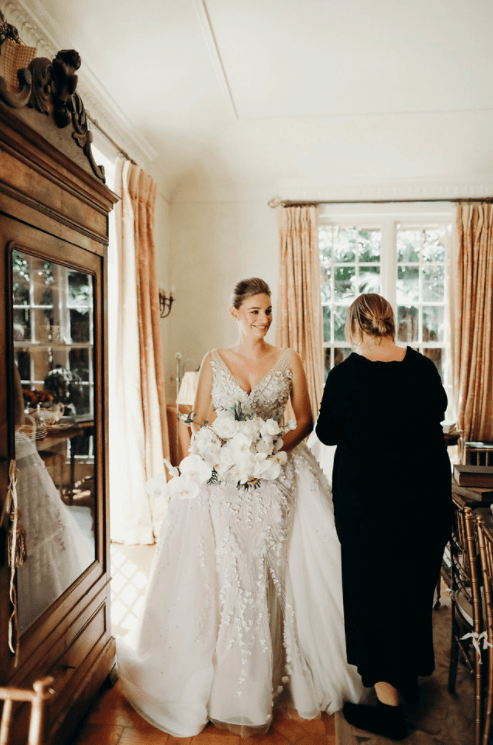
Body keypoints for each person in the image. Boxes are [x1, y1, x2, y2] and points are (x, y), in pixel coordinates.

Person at [117, 277, 363, 737]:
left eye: (268, 311)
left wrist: (271, 450)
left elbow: (305, 420)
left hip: (277, 476)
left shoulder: (288, 359)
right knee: (229, 571)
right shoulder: (215, 360)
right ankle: (225, 682)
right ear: (235, 313)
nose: (263, 320)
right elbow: (201, 421)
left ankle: (266, 679)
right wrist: (221, 457)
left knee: (267, 565)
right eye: (254, 312)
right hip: (223, 479)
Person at [316, 293, 451, 741]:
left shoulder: (345, 375)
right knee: (411, 593)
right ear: (391, 323)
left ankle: (390, 711)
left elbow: (327, 432)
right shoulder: (423, 368)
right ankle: (405, 681)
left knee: (375, 599)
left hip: (370, 510)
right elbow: (439, 412)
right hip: (425, 505)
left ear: (355, 326)